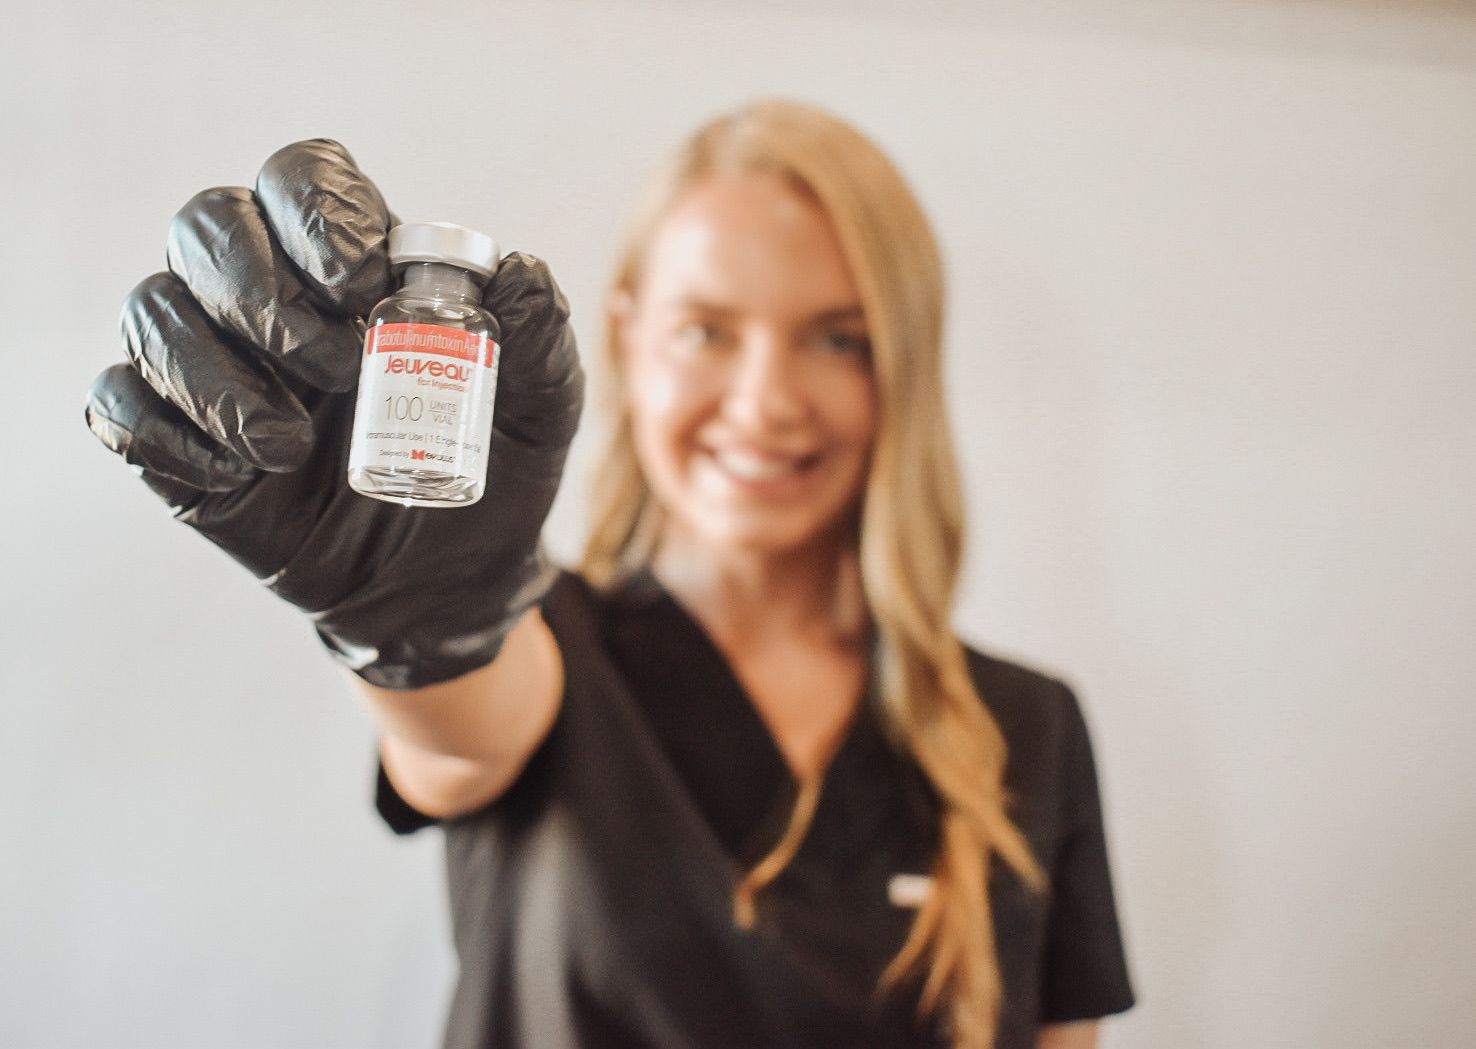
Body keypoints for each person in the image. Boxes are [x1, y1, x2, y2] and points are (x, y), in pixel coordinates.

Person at [85, 99, 1135, 1049]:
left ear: (904, 359)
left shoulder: (1025, 731)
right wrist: (415, 619)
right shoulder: (541, 649)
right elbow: (456, 718)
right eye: (706, 330)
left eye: (838, 339)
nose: (766, 400)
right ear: (630, 337)